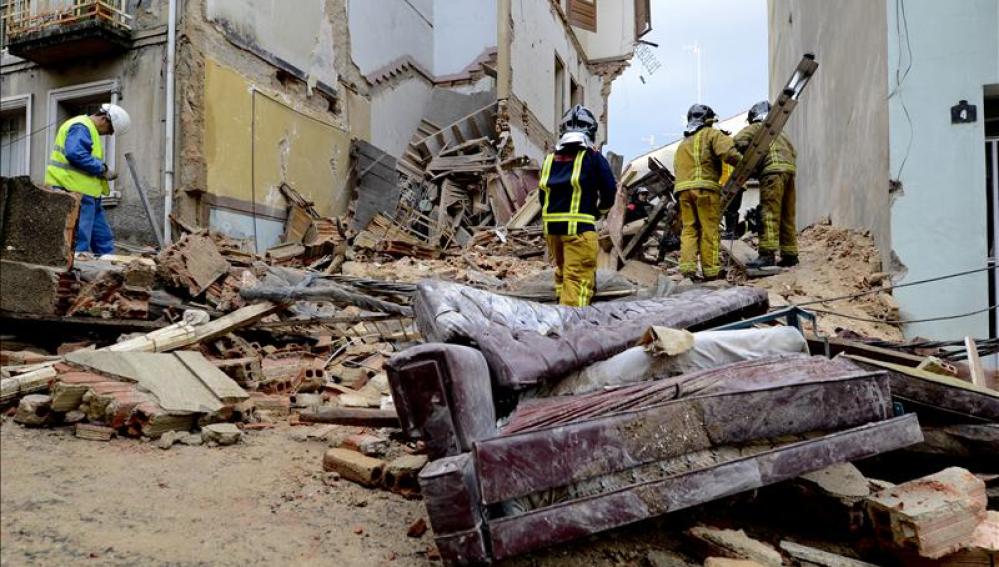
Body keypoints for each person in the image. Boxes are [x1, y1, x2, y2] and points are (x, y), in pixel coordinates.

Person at [539, 104, 616, 307]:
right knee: (577, 280)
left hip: (553, 231)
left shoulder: (549, 160)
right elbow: (609, 191)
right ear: (591, 130)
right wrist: (599, 212)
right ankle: (570, 327)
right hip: (579, 231)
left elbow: (542, 196)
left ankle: (557, 312)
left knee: (562, 274)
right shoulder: (593, 157)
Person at [44, 103, 131, 256]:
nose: (108, 134)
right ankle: (75, 271)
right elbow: (75, 154)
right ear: (104, 119)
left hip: (89, 195)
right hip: (74, 190)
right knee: (79, 240)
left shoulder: (86, 129)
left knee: (103, 238)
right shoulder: (81, 126)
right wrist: (101, 169)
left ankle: (108, 266)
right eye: (110, 130)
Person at [672, 104, 742, 280]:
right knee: (709, 229)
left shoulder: (682, 145)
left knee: (689, 229)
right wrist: (746, 163)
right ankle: (711, 271)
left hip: (683, 191)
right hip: (705, 189)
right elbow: (729, 153)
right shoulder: (712, 134)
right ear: (708, 120)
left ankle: (687, 269)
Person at [734, 100, 798, 268]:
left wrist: (750, 160)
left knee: (769, 213)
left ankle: (767, 255)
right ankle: (790, 255)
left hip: (772, 173)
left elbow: (738, 141)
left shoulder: (758, 128)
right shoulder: (781, 133)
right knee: (786, 215)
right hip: (789, 172)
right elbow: (793, 151)